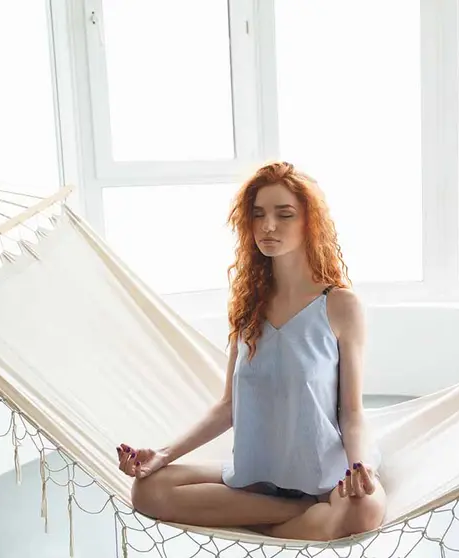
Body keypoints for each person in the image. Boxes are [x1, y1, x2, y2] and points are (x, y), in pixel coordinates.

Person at [115, 161, 386, 541]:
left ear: (310, 221)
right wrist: (163, 454)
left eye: (284, 214)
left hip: (323, 474)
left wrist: (361, 468)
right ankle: (298, 515)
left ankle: (267, 518)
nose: (268, 226)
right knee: (147, 491)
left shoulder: (340, 306)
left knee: (366, 509)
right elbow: (228, 407)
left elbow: (352, 412)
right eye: (258, 214)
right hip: (258, 477)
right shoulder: (248, 306)